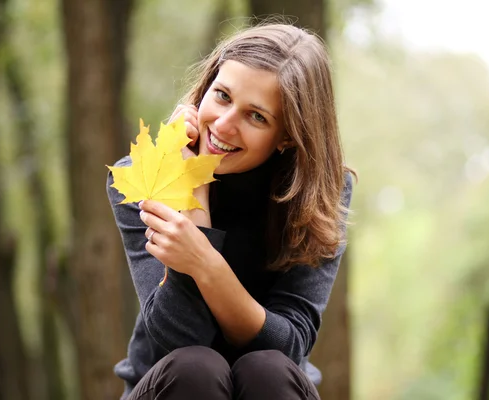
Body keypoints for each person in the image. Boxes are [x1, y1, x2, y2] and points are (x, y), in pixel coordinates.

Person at [107, 22, 354, 400]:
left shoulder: (322, 195)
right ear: (206, 88)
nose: (223, 125)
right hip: (172, 387)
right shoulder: (140, 177)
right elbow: (179, 337)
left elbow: (288, 346)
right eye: (222, 96)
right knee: (196, 368)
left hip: (273, 388)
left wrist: (205, 261)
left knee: (267, 369)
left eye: (256, 116)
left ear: (289, 134)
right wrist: (191, 189)